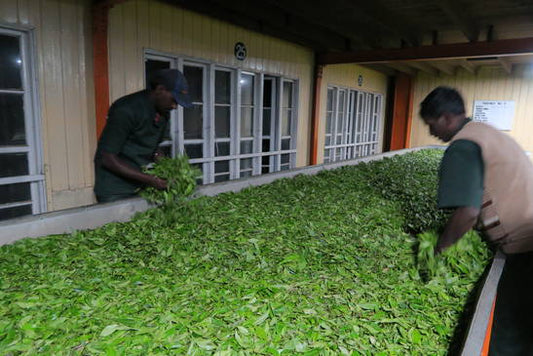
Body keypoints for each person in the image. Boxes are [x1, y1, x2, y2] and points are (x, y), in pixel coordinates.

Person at [420, 86, 533, 355]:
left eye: (432, 124)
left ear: (447, 118)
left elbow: (467, 213)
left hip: (526, 248)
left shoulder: (464, 146)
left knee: (510, 330)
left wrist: (438, 252)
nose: (431, 132)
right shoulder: (486, 131)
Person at [94, 69, 192, 203]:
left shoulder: (163, 112)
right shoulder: (126, 110)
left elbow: (154, 148)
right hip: (115, 190)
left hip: (139, 185)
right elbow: (107, 158)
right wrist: (151, 180)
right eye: (173, 100)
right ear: (160, 89)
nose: (175, 106)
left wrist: (170, 170)